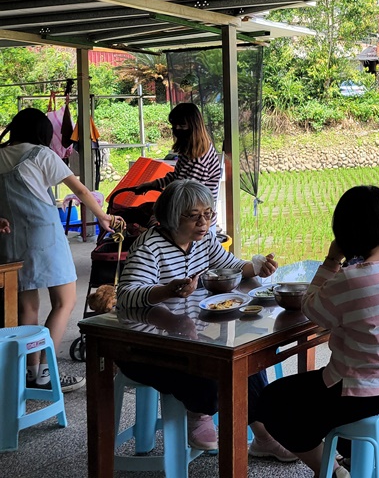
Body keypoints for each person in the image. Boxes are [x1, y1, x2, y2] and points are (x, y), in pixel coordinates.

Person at [259, 186, 379, 477]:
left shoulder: (351, 280)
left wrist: (331, 261)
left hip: (362, 393)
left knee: (273, 401)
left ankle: (332, 470)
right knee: (304, 394)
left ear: (345, 233)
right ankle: (351, 450)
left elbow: (310, 308)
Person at [116, 179, 293, 460]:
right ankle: (199, 414)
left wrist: (258, 266)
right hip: (144, 346)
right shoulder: (150, 247)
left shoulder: (204, 240)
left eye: (208, 214)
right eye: (194, 215)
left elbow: (232, 266)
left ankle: (264, 435)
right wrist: (167, 290)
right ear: (171, 216)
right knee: (211, 366)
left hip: (188, 335)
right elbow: (125, 296)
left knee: (244, 357)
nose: (204, 222)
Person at [0, 107, 117, 393]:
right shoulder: (42, 155)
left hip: (9, 238)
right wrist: (102, 216)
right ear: (42, 132)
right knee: (64, 302)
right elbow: (80, 190)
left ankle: (30, 373)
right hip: (44, 235)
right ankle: (45, 373)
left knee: (27, 307)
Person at [131, 103, 223, 239]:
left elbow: (188, 194)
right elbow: (177, 177)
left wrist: (159, 213)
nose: (176, 129)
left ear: (194, 126)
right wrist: (153, 184)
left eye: (182, 125)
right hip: (187, 217)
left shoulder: (199, 158)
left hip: (196, 223)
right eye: (174, 125)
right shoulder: (189, 150)